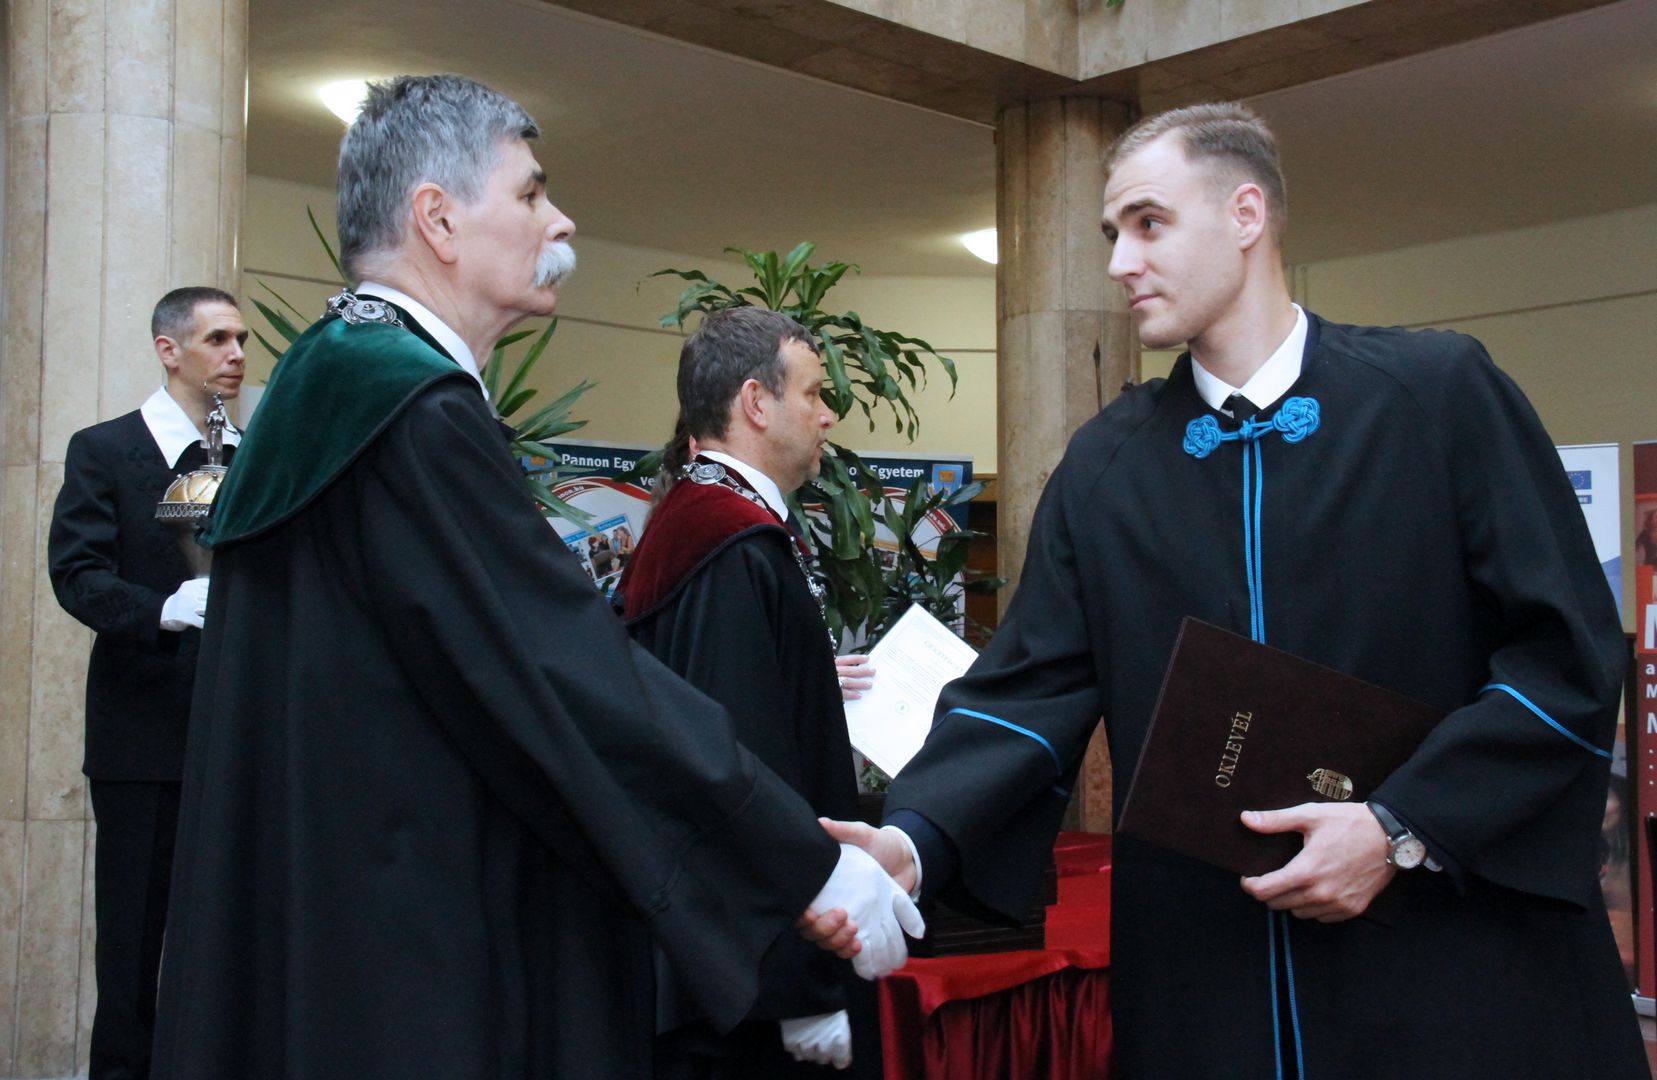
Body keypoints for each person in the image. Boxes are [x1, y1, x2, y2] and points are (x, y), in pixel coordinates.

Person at [818, 102, 1647, 1078]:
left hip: (1443, 969)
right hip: (1209, 978)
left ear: (1245, 214)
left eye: (1148, 223)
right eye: (1111, 233)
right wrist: (914, 840)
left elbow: (1565, 656)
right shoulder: (1108, 465)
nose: (1119, 261)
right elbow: (1025, 694)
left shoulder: (1435, 397)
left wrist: (1403, 827)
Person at [150, 74, 919, 1080]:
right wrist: (801, 862)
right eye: (529, 193)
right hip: (418, 942)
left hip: (337, 919)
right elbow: (563, 672)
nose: (560, 221)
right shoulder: (410, 408)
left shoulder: (334, 380)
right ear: (438, 220)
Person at [618, 307, 878, 1077]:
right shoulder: (726, 541)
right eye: (814, 393)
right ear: (756, 403)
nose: (827, 415)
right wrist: (796, 986)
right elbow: (737, 770)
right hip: (742, 993)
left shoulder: (701, 523)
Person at [46, 286, 247, 1080]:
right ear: (169, 350)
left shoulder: (253, 454)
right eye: (218, 339)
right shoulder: (105, 449)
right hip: (143, 732)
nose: (236, 354)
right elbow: (77, 574)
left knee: (230, 938)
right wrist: (165, 608)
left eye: (241, 339)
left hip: (240, 733)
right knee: (132, 948)